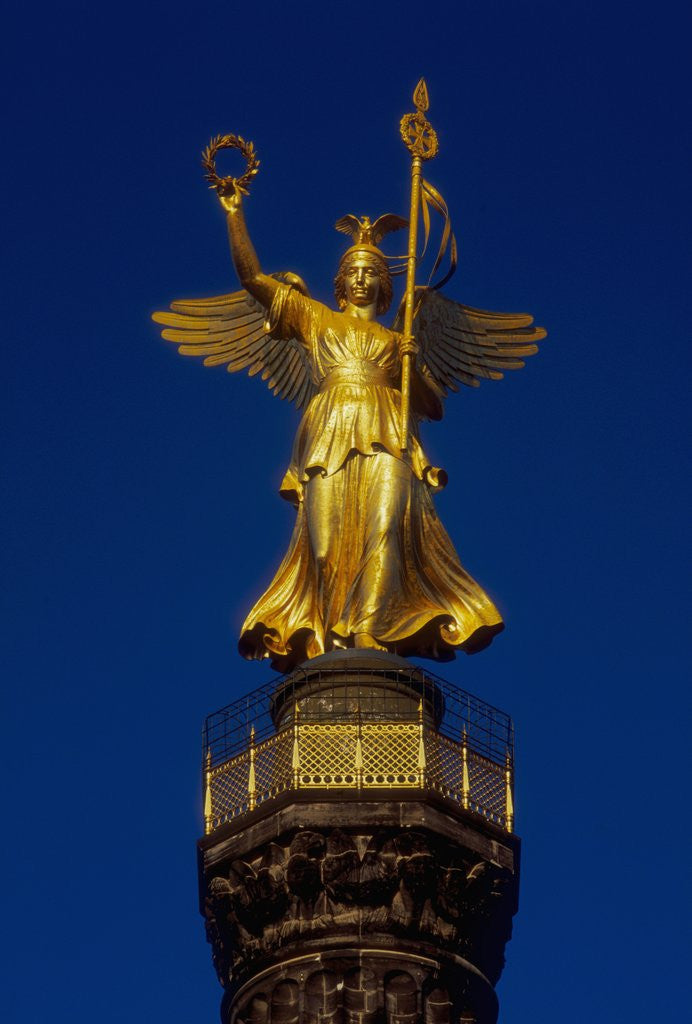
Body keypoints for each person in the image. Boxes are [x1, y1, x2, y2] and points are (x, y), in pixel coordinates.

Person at [217, 186, 505, 670]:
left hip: (389, 428)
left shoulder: (398, 341)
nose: (361, 279)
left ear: (384, 284)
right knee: (325, 544)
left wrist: (412, 362)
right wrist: (234, 213)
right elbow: (252, 278)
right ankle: (331, 640)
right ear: (339, 281)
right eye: (353, 272)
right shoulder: (315, 320)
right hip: (330, 426)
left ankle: (370, 628)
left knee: (386, 526)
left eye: (371, 272)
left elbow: (431, 406)